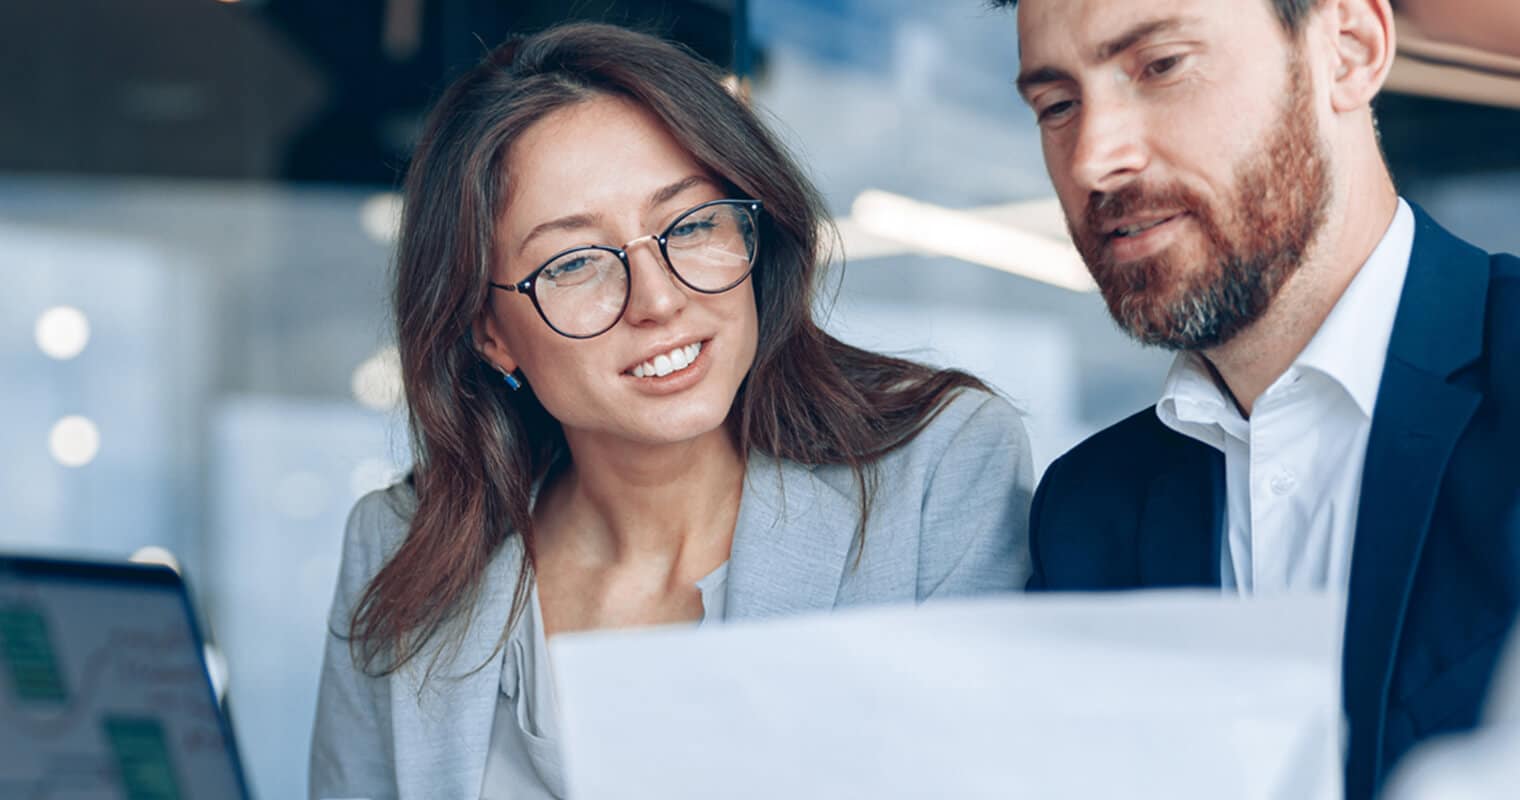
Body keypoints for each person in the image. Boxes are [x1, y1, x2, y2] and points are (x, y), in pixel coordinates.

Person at [309, 22, 1034, 800]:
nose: (659, 299)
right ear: (490, 333)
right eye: (576, 262)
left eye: (690, 226)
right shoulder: (398, 547)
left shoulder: (940, 473)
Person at [992, 0, 1520, 798]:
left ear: (1346, 51)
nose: (1095, 158)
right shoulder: (1087, 514)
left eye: (1161, 66)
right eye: (1057, 105)